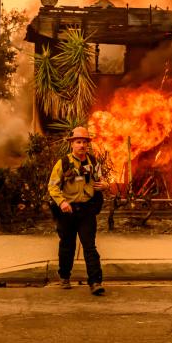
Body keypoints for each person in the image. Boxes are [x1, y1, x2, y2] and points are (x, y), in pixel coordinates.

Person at [48, 126, 108, 296]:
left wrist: (105, 185)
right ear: (72, 144)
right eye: (78, 142)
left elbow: (101, 180)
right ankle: (65, 276)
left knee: (90, 246)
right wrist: (61, 203)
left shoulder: (93, 163)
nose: (82, 145)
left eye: (85, 142)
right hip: (67, 211)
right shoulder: (63, 163)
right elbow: (52, 187)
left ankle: (95, 282)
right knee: (67, 245)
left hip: (87, 210)